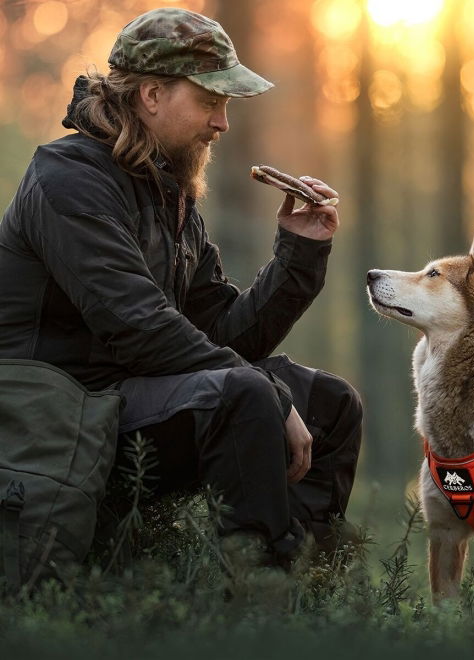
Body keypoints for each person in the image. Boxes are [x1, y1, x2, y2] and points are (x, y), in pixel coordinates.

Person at [0, 8, 362, 564]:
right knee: (250, 393)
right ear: (151, 95)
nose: (222, 123)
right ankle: (256, 598)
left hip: (132, 401)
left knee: (330, 403)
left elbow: (223, 335)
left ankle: (307, 588)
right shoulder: (68, 182)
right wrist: (267, 393)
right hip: (64, 414)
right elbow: (140, 329)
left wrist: (300, 251)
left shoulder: (168, 193)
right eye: (210, 102)